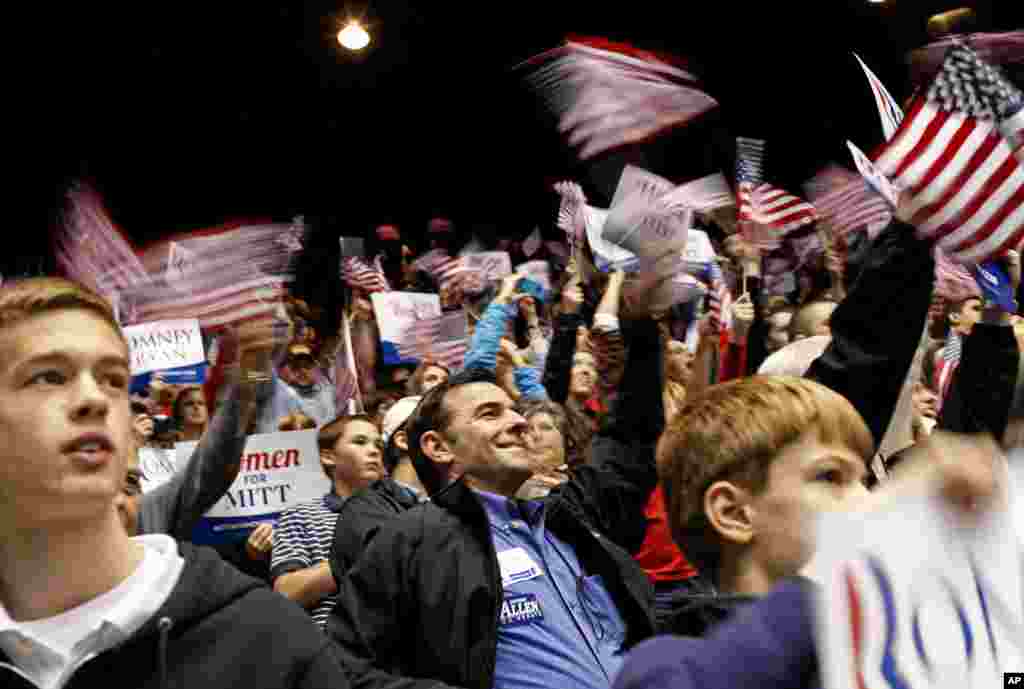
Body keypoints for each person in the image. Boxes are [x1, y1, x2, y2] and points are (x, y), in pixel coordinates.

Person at [0, 277, 348, 689]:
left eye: (113, 380)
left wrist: (247, 381)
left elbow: (213, 465)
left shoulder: (270, 645)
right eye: (49, 377)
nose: (94, 398)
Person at [328, 313, 667, 689]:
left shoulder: (571, 514)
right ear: (438, 447)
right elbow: (344, 667)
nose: (519, 422)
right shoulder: (411, 540)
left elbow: (629, 442)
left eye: (514, 410)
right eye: (490, 414)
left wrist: (643, 320)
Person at [612, 428, 1005, 689]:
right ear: (734, 513)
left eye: (864, 482)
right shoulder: (661, 665)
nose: (866, 499)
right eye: (830, 477)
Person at [271, 413, 384, 629]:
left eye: (378, 444)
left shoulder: (404, 514)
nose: (374, 450)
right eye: (360, 442)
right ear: (328, 457)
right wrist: (358, 555)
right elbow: (286, 592)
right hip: (331, 643)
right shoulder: (301, 515)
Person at [328, 395, 428, 581]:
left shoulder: (458, 501)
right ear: (403, 440)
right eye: (435, 428)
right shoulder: (364, 508)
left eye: (377, 445)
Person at [255, 342, 337, 433]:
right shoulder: (279, 390)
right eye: (296, 367)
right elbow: (253, 376)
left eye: (307, 366)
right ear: (288, 369)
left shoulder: (327, 391)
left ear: (314, 367)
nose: (302, 371)